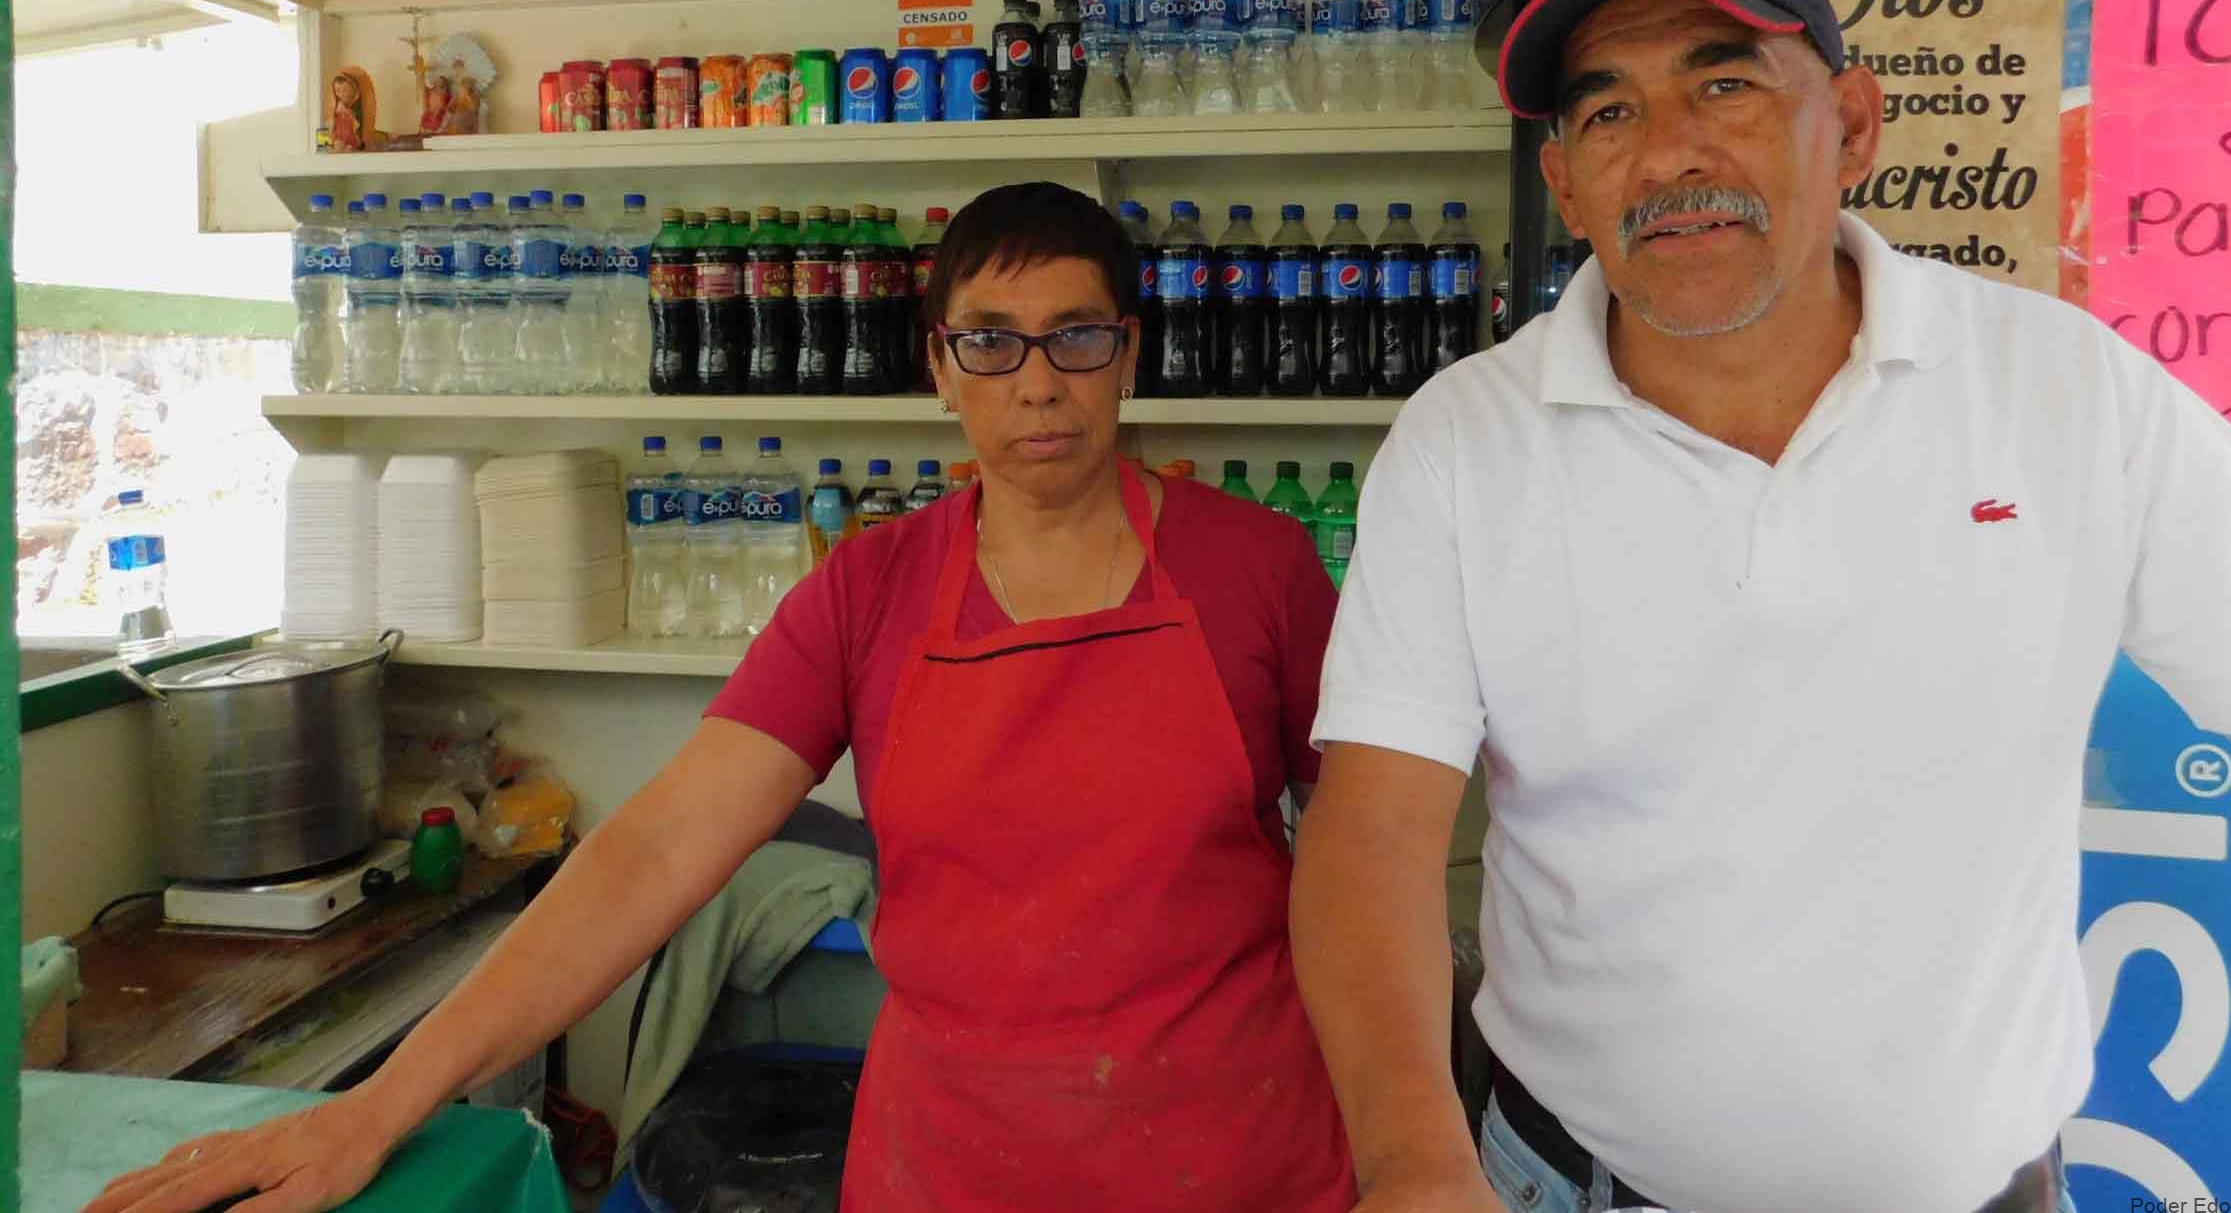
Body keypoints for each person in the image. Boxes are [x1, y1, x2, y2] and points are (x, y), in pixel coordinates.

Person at [89, 180, 1353, 1213]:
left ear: (1129, 351)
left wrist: (1411, 1146)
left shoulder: (1260, 566)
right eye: (990, 341)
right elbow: (653, 852)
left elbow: (1368, 864)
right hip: (958, 1166)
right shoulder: (867, 591)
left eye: (1077, 336)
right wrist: (378, 1106)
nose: (1038, 382)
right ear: (939, 365)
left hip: (1237, 1154)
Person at [1290, 0, 2231, 1213]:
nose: (1668, 155)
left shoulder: (2065, 392)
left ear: (1853, 126)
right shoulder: (1466, 442)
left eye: (1726, 86)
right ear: (1566, 183)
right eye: (1609, 112)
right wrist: (1415, 1160)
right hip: (1571, 1183)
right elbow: (1373, 833)